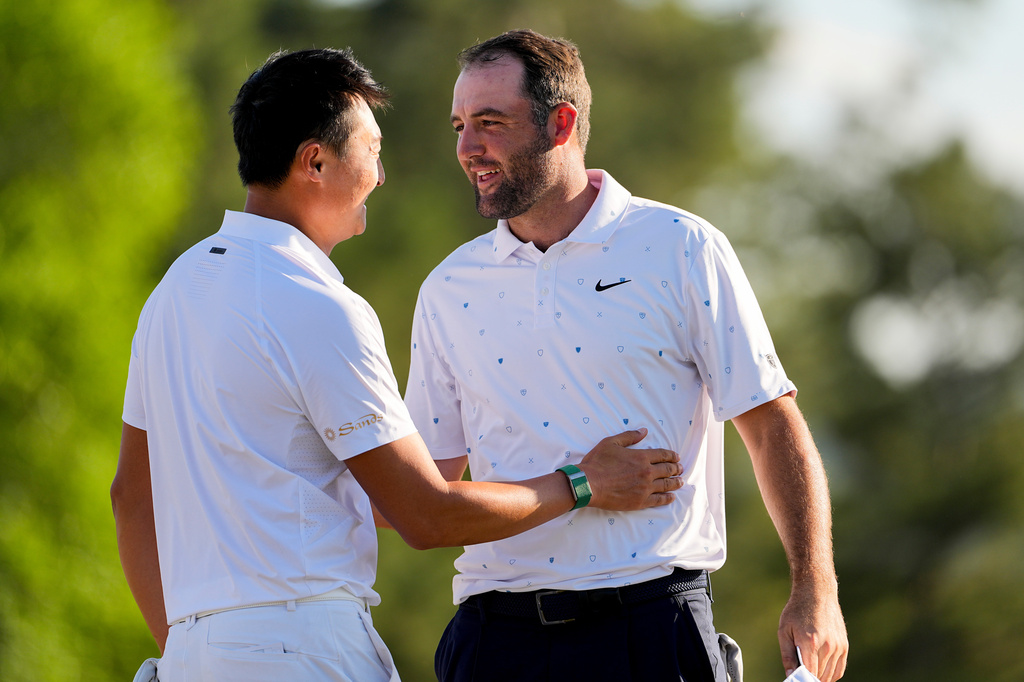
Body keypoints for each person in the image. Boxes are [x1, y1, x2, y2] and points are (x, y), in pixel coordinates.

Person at [109, 47, 684, 682]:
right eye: (371, 149)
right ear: (316, 161)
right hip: (302, 649)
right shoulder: (317, 303)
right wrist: (583, 483)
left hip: (189, 653)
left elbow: (131, 497)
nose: (381, 175)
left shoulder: (173, 291)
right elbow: (426, 513)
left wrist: (193, 647)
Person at [404, 29, 849, 682]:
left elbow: (771, 422)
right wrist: (580, 487)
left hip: (651, 628)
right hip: (494, 641)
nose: (469, 148)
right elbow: (431, 491)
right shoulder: (447, 288)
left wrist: (816, 589)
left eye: (491, 124)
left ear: (562, 124)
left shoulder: (682, 246)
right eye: (460, 125)